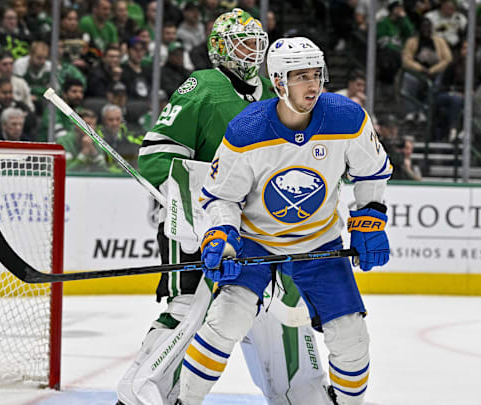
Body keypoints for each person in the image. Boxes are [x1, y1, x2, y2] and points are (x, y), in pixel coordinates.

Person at [121, 9, 332, 405]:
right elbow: (155, 158)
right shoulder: (202, 85)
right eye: (243, 43)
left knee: (281, 311)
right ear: (220, 48)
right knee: (191, 310)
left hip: (260, 234)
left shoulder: (274, 95)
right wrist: (212, 209)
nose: (253, 51)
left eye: (258, 42)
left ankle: (302, 393)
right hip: (196, 227)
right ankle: (144, 395)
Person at [175, 36, 391, 405]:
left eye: (317, 74)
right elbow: (220, 195)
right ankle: (184, 401)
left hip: (319, 244)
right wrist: (222, 236)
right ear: (278, 82)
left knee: (351, 335)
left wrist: (370, 217)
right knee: (225, 322)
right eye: (301, 76)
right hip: (255, 241)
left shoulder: (346, 117)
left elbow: (372, 173)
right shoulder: (247, 131)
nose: (313, 85)